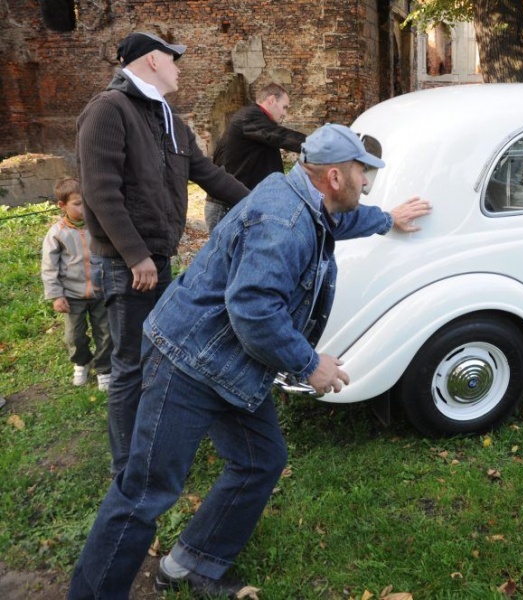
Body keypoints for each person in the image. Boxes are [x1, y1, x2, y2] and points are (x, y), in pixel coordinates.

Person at [66, 123, 432, 599]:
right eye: (364, 173)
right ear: (336, 177)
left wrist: (386, 219)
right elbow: (254, 310)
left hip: (231, 365)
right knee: (145, 492)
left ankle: (190, 565)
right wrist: (308, 364)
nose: (368, 183)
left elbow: (339, 221)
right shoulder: (284, 222)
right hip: (188, 361)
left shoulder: (304, 198)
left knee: (261, 460)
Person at [76, 31, 250, 474]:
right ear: (153, 60)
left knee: (156, 356)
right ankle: (127, 469)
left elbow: (209, 174)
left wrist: (267, 199)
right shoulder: (108, 111)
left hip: (158, 259)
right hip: (128, 264)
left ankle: (152, 446)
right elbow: (100, 192)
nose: (179, 67)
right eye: (174, 59)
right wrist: (135, 255)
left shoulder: (167, 118)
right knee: (131, 364)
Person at [204, 82, 308, 231]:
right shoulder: (250, 117)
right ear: (271, 100)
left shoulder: (259, 123)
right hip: (226, 206)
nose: (285, 113)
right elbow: (281, 136)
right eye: (284, 107)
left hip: (236, 204)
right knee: (230, 254)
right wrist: (318, 144)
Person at [41, 178, 112, 391]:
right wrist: (56, 295)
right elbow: (49, 266)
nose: (84, 208)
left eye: (86, 203)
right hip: (72, 295)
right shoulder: (57, 233)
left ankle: (104, 368)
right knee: (74, 336)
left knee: (106, 333)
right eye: (77, 204)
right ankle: (82, 362)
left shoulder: (99, 227)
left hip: (101, 292)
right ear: (62, 205)